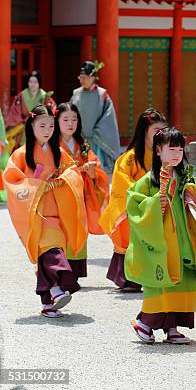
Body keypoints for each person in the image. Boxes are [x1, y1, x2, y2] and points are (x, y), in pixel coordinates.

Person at [127, 127, 196, 344]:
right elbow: (134, 206)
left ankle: (173, 327)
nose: (176, 153)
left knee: (183, 280)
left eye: (180, 149)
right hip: (162, 242)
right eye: (171, 148)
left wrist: (194, 195)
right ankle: (144, 324)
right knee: (161, 284)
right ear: (158, 150)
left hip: (184, 240)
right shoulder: (148, 181)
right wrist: (155, 203)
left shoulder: (186, 177)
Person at [3, 105, 87, 317]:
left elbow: (72, 171)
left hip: (55, 211)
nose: (47, 130)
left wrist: (62, 180)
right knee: (51, 250)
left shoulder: (58, 151)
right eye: (42, 125)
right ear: (31, 127)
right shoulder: (21, 154)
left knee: (49, 251)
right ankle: (57, 290)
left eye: (51, 125)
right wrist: (37, 186)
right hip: (33, 213)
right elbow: (11, 180)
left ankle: (48, 301)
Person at [99, 108, 167, 291]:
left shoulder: (163, 156)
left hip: (156, 204)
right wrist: (142, 197)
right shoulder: (130, 158)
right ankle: (128, 278)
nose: (160, 135)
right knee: (131, 236)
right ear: (143, 132)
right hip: (136, 205)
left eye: (163, 131)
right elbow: (123, 182)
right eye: (155, 131)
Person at [57, 102, 110, 279]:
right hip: (60, 194)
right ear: (56, 121)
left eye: (74, 119)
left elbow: (97, 168)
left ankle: (76, 269)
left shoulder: (82, 144)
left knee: (78, 228)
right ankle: (60, 268)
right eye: (65, 119)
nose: (70, 123)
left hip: (80, 194)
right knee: (61, 229)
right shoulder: (52, 145)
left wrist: (92, 170)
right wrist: (79, 169)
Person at [70, 61, 121, 174]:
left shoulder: (102, 95)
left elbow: (108, 118)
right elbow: (70, 114)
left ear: (93, 78)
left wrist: (98, 132)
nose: (82, 80)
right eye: (81, 77)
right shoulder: (76, 94)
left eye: (85, 77)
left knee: (97, 174)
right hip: (79, 139)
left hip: (97, 140)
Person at [5, 70, 56, 154]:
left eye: (35, 82)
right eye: (30, 81)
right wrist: (23, 122)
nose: (33, 84)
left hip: (40, 126)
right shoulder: (21, 95)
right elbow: (15, 112)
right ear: (27, 82)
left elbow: (51, 111)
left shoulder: (44, 96)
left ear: (39, 83)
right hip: (24, 126)